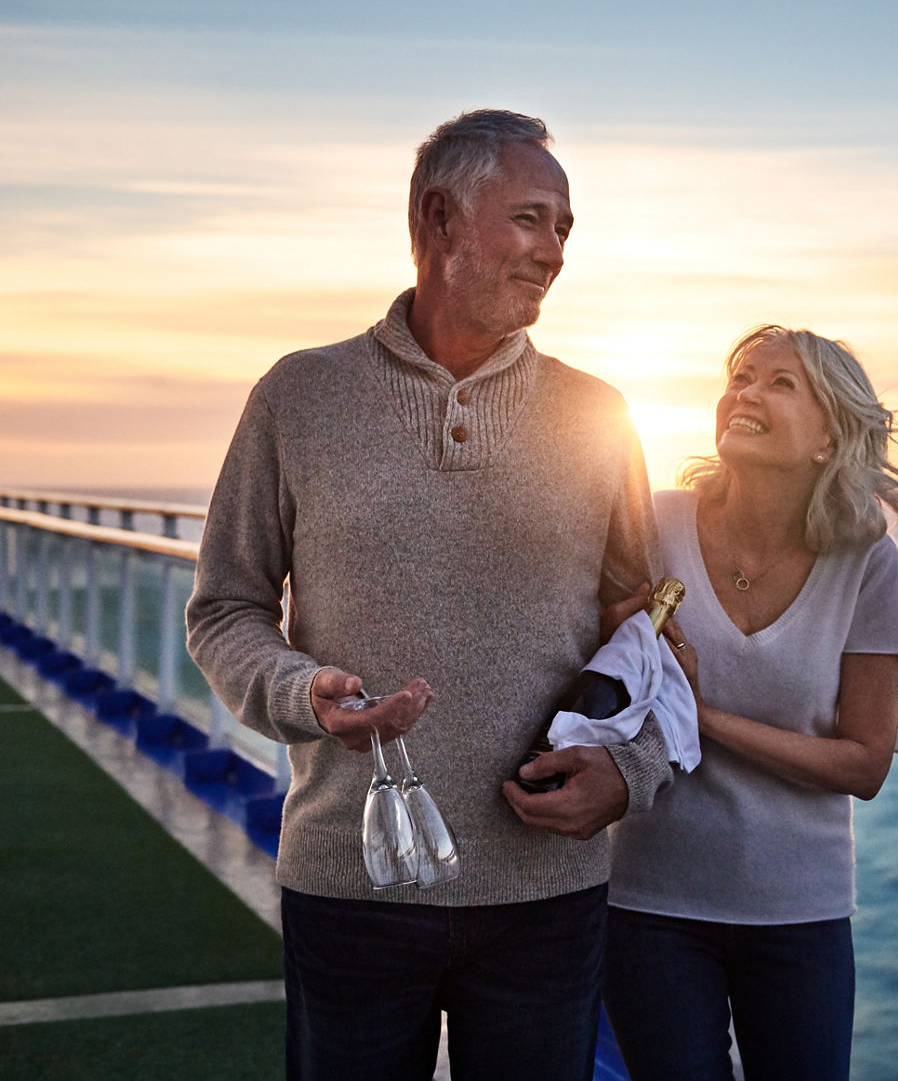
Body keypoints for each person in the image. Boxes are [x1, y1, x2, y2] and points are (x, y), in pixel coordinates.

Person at [186, 110, 673, 1081]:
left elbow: (651, 630)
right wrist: (299, 689)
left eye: (565, 230)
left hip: (547, 890)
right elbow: (224, 607)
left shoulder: (600, 413)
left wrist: (636, 768)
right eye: (531, 219)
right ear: (438, 217)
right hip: (349, 878)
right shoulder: (298, 395)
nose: (553, 253)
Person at [603, 324, 898, 1081]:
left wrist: (706, 718)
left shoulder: (866, 560)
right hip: (652, 902)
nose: (746, 392)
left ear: (829, 438)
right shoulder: (655, 529)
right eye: (741, 377)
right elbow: (596, 672)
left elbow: (866, 762)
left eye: (781, 384)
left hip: (799, 914)